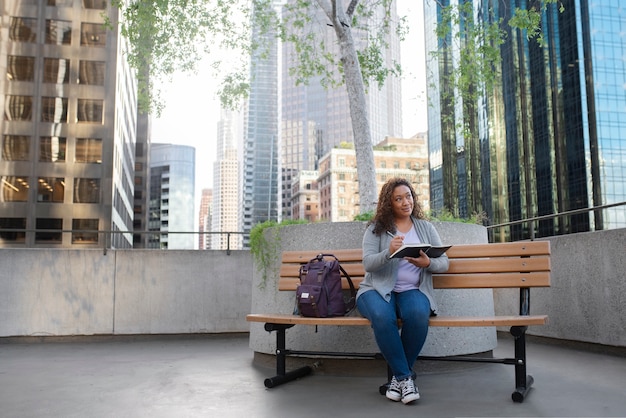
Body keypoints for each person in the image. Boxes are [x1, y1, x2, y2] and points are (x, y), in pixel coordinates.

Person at [356, 177, 449, 404]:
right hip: (376, 290)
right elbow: (368, 264)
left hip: (412, 289)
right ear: (389, 203)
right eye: (398, 199)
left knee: (418, 315)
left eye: (408, 196)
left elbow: (444, 262)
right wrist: (388, 252)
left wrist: (427, 264)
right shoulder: (376, 229)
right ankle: (406, 378)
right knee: (381, 316)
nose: (405, 202)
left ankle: (398, 381)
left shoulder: (425, 227)